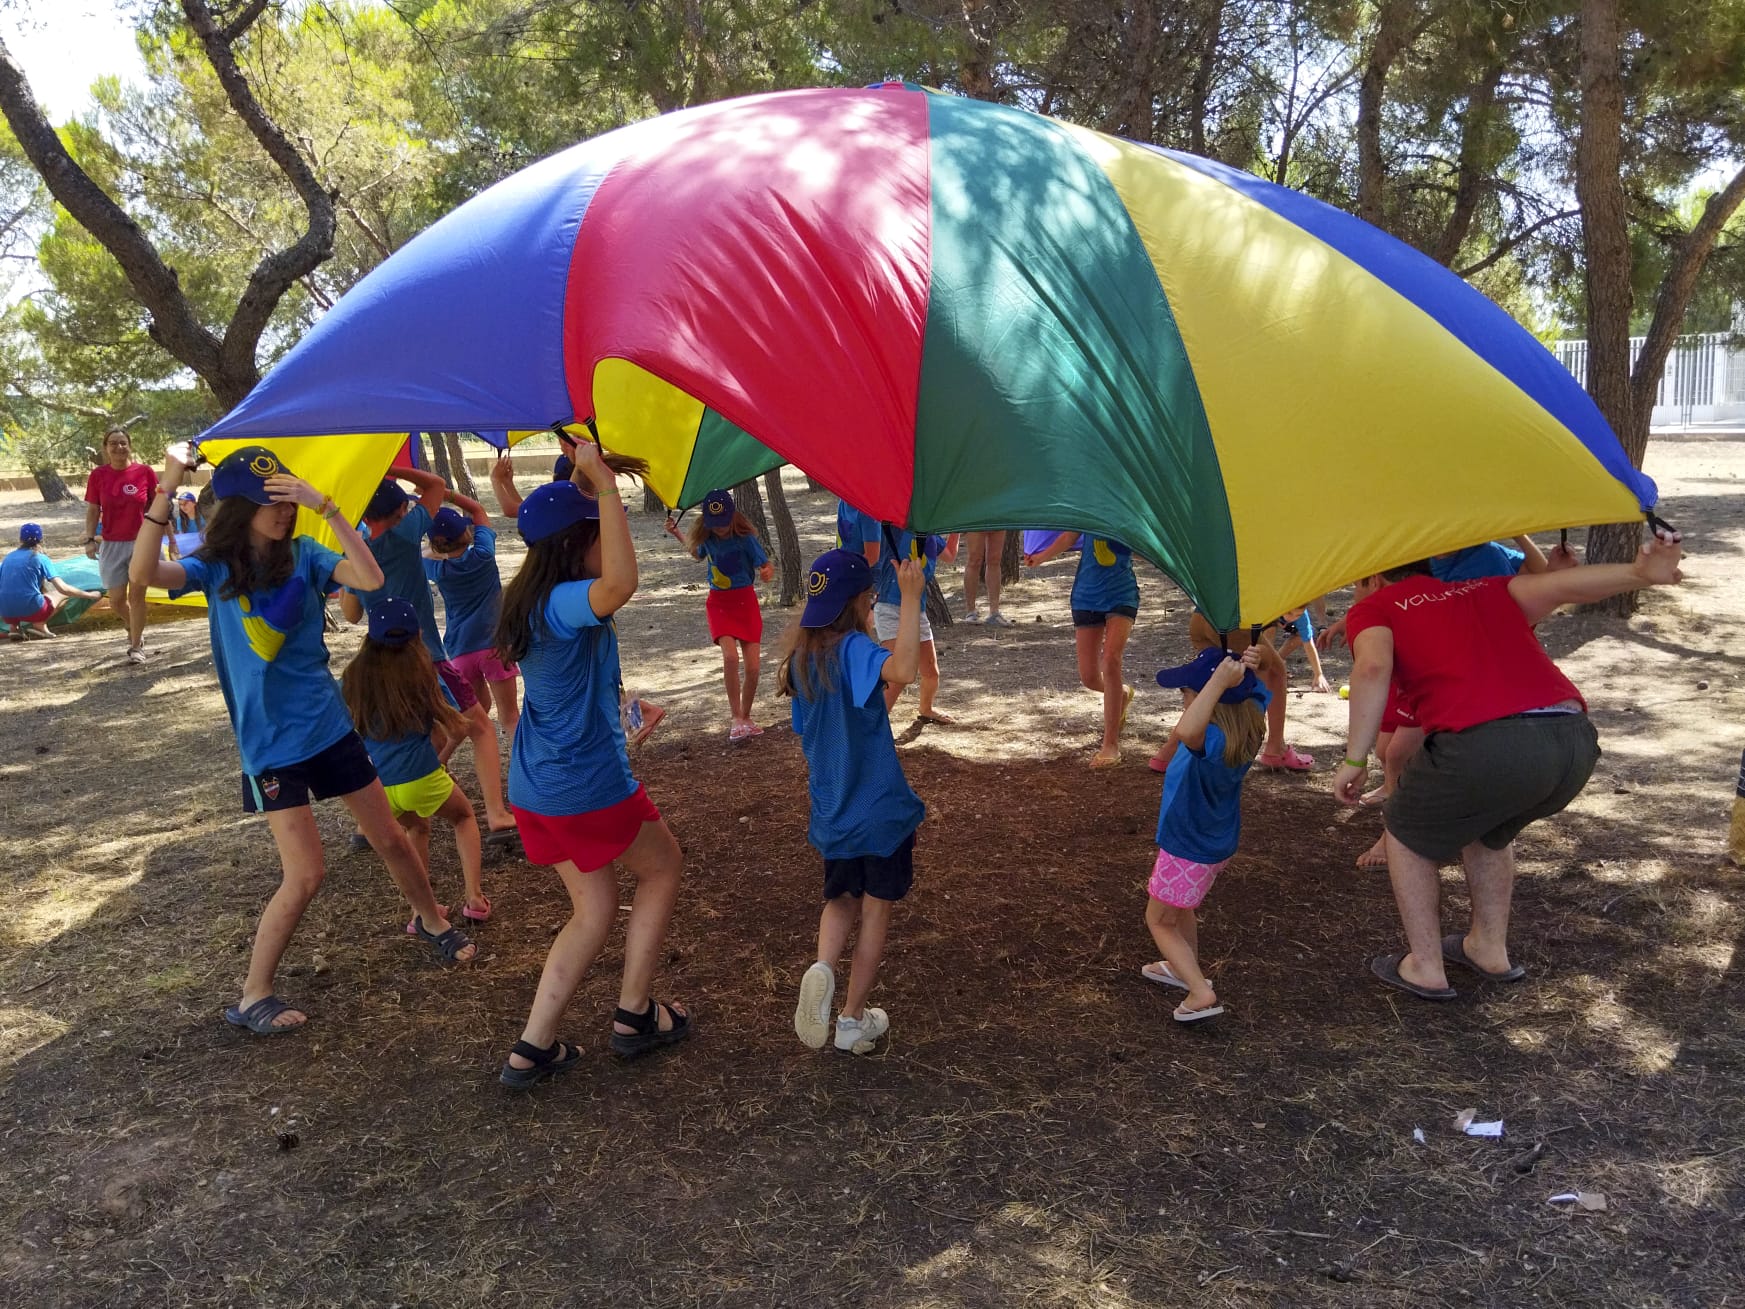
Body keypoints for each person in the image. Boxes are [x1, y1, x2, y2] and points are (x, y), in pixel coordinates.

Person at [130, 444, 476, 1036]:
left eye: (288, 498)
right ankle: (253, 996)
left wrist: (328, 507)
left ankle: (433, 922)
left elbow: (368, 578)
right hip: (270, 746)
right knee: (307, 874)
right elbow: (143, 575)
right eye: (271, 502)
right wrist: (166, 484)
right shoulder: (215, 566)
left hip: (328, 728)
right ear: (240, 506)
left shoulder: (306, 554)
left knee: (391, 838)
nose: (283, 511)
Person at [1334, 527, 1684, 1000]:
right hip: (1572, 741)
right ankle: (1487, 949)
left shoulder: (1374, 607)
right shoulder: (1488, 589)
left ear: (1374, 576)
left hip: (1489, 740)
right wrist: (1642, 574)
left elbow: (1372, 669)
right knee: (1489, 828)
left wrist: (1355, 758)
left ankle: (1425, 965)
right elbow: (1564, 586)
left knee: (1404, 834)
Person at [494, 450, 690, 1089]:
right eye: (599, 531)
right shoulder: (564, 603)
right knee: (662, 868)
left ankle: (533, 1047)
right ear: (578, 546)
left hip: (534, 787)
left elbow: (563, 521)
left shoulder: (528, 595)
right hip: (584, 787)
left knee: (594, 908)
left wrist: (586, 474)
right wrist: (605, 489)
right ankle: (635, 1013)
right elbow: (620, 587)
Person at [782, 548, 925, 1055]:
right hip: (881, 814)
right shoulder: (854, 650)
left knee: (839, 901)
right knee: (876, 912)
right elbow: (903, 669)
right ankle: (851, 1018)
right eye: (869, 601)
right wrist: (911, 599)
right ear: (859, 602)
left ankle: (821, 968)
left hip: (834, 813)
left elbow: (844, 719)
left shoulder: (803, 663)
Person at [341, 469, 517, 849]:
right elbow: (436, 486)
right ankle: (497, 814)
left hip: (380, 666)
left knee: (410, 734)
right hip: (426, 658)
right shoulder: (405, 534)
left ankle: (367, 825)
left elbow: (351, 614)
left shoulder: (356, 550)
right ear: (403, 510)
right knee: (481, 729)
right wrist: (390, 466)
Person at [343, 597, 492, 925]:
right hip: (421, 775)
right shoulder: (424, 675)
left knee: (416, 829)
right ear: (417, 636)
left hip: (380, 786)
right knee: (464, 818)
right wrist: (440, 758)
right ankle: (475, 897)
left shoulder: (352, 679)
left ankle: (421, 912)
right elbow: (456, 724)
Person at [1140, 646, 1268, 1022]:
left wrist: (1214, 684)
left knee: (1159, 919)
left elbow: (1186, 729)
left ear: (1209, 701)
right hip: (1213, 844)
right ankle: (1184, 969)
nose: (1184, 699)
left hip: (1187, 846)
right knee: (1181, 908)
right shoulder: (1246, 723)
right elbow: (1260, 692)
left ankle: (1199, 991)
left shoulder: (1209, 742)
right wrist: (1246, 671)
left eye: (1187, 693)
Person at [664, 488, 774, 740]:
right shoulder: (708, 539)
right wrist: (678, 533)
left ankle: (746, 716)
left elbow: (765, 564)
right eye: (715, 524)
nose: (721, 528)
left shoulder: (745, 539)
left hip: (745, 601)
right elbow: (697, 554)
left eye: (724, 522)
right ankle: (735, 717)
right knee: (731, 658)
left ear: (733, 516)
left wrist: (768, 571)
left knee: (754, 667)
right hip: (719, 604)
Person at [1026, 532, 1137, 767]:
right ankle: (1121, 694)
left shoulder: (1128, 506)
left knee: (1111, 660)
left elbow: (1149, 543)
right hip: (1086, 596)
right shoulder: (1089, 502)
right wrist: (1041, 557)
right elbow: (1068, 537)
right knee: (1089, 678)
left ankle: (1110, 745)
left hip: (1121, 594)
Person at [424, 496, 521, 752]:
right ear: (466, 533)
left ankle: (440, 760)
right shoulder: (484, 555)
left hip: (461, 650)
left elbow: (419, 552)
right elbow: (478, 510)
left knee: (475, 713)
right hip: (495, 646)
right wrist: (444, 492)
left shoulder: (437, 571)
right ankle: (530, 769)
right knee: (510, 717)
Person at [1177, 614, 1312, 773]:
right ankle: (1276, 748)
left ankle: (1168, 754)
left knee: (1203, 683)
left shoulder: (1207, 739)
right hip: (1229, 618)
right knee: (1275, 672)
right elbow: (1267, 670)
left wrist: (1219, 681)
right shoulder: (1256, 701)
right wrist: (1260, 656)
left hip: (1206, 613)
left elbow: (1188, 731)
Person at [83, 427, 157, 664]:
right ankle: (133, 627)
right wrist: (88, 539)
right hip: (111, 543)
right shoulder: (98, 475)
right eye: (113, 443)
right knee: (116, 599)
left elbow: (158, 506)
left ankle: (136, 646)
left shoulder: (144, 472)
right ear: (106, 448)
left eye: (123, 443)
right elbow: (93, 509)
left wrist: (165, 537)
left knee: (137, 597)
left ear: (130, 445)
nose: (119, 447)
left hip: (140, 543)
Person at [871, 525, 957, 723]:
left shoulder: (932, 532)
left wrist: (956, 527)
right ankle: (873, 728)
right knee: (896, 677)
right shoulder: (898, 524)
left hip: (916, 610)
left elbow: (950, 555)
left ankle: (926, 709)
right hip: (891, 607)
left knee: (930, 671)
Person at [2, 523, 101, 639]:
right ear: (41, 540)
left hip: (6, 613)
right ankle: (39, 625)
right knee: (61, 595)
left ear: (20, 539)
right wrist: (90, 595)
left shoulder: (8, 558)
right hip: (32, 610)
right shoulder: (40, 558)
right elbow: (63, 588)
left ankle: (14, 627)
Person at [1275, 606, 1332, 693]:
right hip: (1270, 617)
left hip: (1282, 616)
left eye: (1297, 614)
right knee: (1269, 630)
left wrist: (1318, 674)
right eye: (1290, 613)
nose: (1292, 617)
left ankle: (1276, 660)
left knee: (1304, 633)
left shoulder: (1301, 616)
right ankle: (1268, 666)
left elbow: (1308, 642)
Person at [961, 530, 1011, 626]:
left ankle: (994, 613)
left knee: (995, 560)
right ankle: (971, 612)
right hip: (975, 518)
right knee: (974, 560)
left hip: (997, 517)